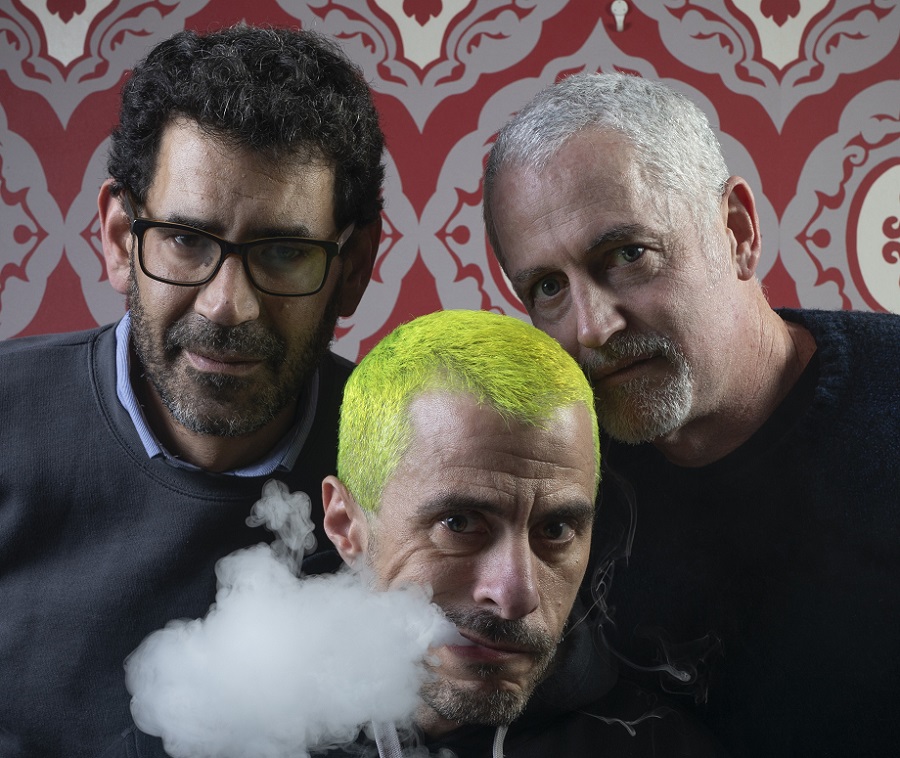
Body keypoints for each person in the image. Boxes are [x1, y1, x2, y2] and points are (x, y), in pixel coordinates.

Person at [482, 71, 900, 757]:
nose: (591, 327)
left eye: (627, 255)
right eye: (549, 287)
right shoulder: (550, 476)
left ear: (737, 230)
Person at [0, 25, 383, 758]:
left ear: (354, 267)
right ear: (121, 237)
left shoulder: (415, 466)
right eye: (185, 239)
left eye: (283, 252)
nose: (226, 306)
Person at [317, 309, 721, 756]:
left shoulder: (657, 748)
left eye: (556, 529)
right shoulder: (264, 721)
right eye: (460, 524)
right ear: (346, 525)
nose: (516, 596)